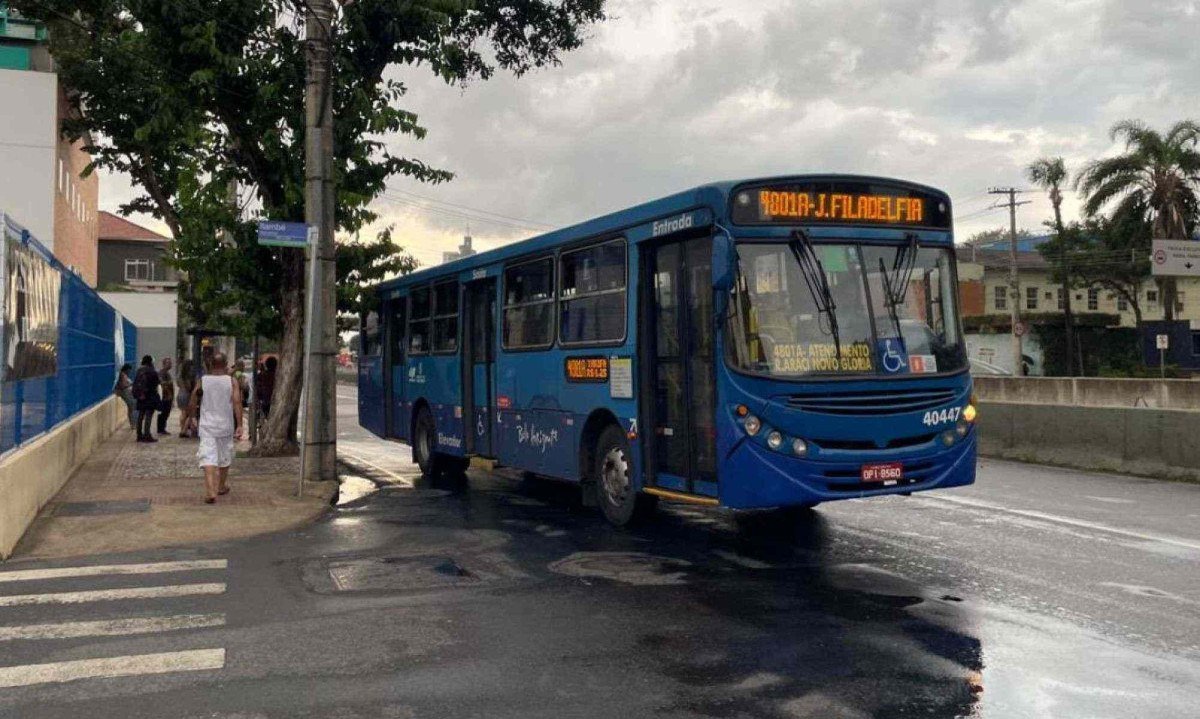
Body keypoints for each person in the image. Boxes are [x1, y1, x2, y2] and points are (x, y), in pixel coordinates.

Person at [189, 352, 244, 504]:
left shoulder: (203, 381)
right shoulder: (231, 381)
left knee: (208, 456)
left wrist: (192, 417)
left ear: (211, 365)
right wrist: (240, 424)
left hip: (207, 426)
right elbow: (237, 402)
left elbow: (193, 398)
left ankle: (210, 491)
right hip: (225, 425)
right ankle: (220, 486)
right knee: (224, 455)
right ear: (226, 364)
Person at [132, 355, 161, 442]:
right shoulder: (152, 371)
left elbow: (135, 383)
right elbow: (157, 382)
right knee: (148, 416)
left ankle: (139, 435)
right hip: (150, 396)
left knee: (141, 415)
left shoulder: (139, 371)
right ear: (150, 362)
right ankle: (147, 435)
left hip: (141, 396)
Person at [176, 359, 197, 438]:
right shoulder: (188, 375)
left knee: (183, 413)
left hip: (180, 394)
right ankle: (184, 430)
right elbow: (189, 387)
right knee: (190, 413)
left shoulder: (180, 374)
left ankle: (182, 429)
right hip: (187, 394)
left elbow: (178, 384)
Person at [114, 363, 136, 430]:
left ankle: (133, 423)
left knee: (132, 407)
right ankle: (133, 423)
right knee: (131, 407)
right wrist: (130, 384)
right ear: (126, 369)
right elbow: (122, 386)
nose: (130, 371)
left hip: (125, 392)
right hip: (124, 392)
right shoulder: (123, 375)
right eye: (129, 370)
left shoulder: (124, 375)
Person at [156, 357, 175, 436]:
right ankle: (161, 429)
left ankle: (162, 428)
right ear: (164, 364)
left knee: (166, 413)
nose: (170, 364)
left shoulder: (167, 373)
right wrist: (169, 394)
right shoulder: (162, 373)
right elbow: (162, 384)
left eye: (170, 363)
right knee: (164, 413)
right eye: (168, 363)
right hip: (165, 397)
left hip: (168, 396)